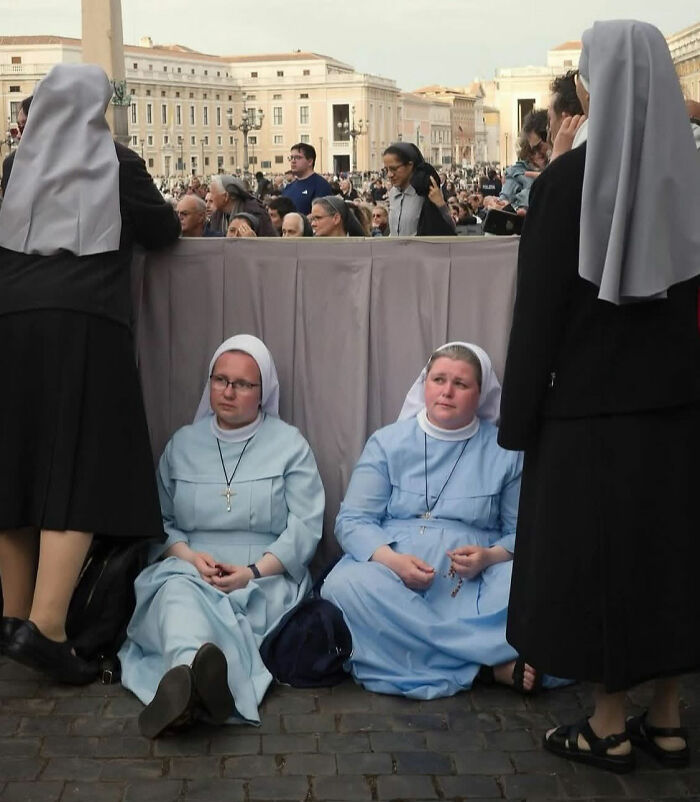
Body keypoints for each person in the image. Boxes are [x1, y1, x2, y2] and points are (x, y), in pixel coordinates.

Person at [498, 20, 700, 773]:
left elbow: (537, 316)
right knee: (673, 557)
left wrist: (516, 421)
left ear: (593, 87)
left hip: (588, 413)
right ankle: (669, 716)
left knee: (606, 565)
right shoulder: (694, 178)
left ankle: (609, 723)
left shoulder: (565, 186)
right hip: (680, 407)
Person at [0, 64, 180, 683]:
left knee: (18, 467)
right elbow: (163, 233)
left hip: (12, 321)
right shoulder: (118, 163)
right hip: (87, 324)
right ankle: (48, 630)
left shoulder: (15, 165)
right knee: (76, 469)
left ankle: (11, 615)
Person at [321, 342, 570, 699]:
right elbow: (353, 520)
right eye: (438, 379)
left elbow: (522, 532)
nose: (447, 391)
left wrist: (489, 557)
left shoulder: (505, 452)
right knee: (344, 586)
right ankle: (485, 665)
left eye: (461, 383)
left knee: (539, 582)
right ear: (425, 384)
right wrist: (392, 561)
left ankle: (430, 654)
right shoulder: (388, 442)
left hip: (472, 579)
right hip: (395, 572)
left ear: (480, 394)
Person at [119, 335, 325, 738]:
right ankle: (193, 677)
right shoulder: (182, 444)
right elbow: (159, 520)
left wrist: (251, 572)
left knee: (237, 614)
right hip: (190, 565)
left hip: (263, 576)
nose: (228, 392)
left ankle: (190, 690)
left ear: (262, 392)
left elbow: (306, 525)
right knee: (178, 597)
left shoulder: (289, 445)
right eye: (220, 380)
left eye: (242, 384)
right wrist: (191, 559)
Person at [383, 143, 455, 236]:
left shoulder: (427, 191)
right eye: (386, 170)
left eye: (394, 169)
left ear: (410, 165)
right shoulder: (393, 193)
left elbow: (450, 228)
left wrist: (440, 204)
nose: (389, 175)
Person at [208, 175, 276, 237]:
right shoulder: (217, 215)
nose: (211, 197)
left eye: (212, 193)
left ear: (226, 196)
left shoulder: (256, 212)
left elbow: (268, 242)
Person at [281, 143, 333, 215]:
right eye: (291, 158)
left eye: (298, 158)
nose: (293, 161)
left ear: (310, 161)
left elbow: (322, 215)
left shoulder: (321, 186)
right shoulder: (288, 187)